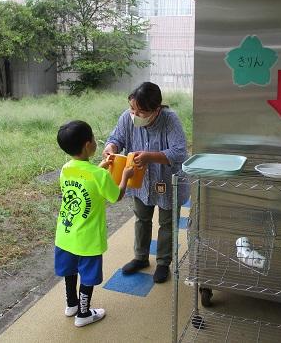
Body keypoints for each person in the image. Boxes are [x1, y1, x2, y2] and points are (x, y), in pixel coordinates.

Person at [102, 82, 189, 283]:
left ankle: (163, 262)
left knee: (167, 222)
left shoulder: (170, 120)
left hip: (167, 179)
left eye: (141, 111)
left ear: (156, 110)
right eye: (133, 108)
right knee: (142, 218)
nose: (135, 114)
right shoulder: (127, 117)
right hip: (139, 181)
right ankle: (140, 257)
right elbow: (116, 138)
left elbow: (179, 152)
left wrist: (150, 156)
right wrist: (111, 148)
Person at [55, 120, 134, 327]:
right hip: (88, 239)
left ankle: (71, 305)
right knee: (88, 276)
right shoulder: (98, 176)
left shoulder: (65, 169)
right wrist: (125, 176)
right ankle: (83, 314)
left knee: (70, 271)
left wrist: (101, 167)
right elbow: (116, 195)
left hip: (66, 234)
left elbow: (84, 177)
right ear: (88, 145)